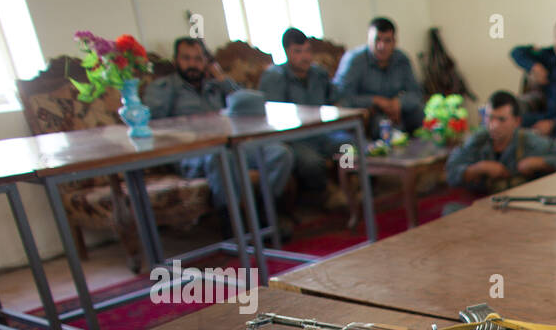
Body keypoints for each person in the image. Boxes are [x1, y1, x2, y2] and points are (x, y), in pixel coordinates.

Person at [143, 37, 292, 212]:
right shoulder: (164, 87)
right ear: (176, 61)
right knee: (222, 158)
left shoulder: (215, 85)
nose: (193, 64)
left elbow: (247, 103)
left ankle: (264, 211)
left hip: (229, 145)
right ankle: (231, 222)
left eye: (198, 59)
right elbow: (152, 121)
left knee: (280, 153)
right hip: (192, 152)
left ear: (206, 62)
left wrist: (222, 79)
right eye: (186, 58)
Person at [259, 27, 350, 199]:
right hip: (294, 139)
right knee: (312, 163)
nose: (305, 57)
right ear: (286, 52)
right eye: (298, 52)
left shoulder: (319, 73)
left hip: (323, 133)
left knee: (348, 146)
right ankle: (324, 195)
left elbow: (336, 100)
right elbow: (272, 117)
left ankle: (348, 184)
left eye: (308, 51)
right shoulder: (275, 77)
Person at [445, 90, 556, 192]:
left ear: (517, 121)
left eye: (501, 120)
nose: (494, 125)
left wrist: (541, 163)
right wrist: (478, 168)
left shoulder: (529, 141)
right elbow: (451, 172)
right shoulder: (478, 140)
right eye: (490, 118)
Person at [334, 16, 425, 137]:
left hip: (398, 110)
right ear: (368, 39)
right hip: (371, 114)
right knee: (386, 125)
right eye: (377, 40)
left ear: (395, 42)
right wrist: (375, 101)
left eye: (387, 41)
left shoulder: (402, 59)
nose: (381, 46)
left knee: (421, 115)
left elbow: (416, 92)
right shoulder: (354, 60)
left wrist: (398, 103)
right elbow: (341, 98)